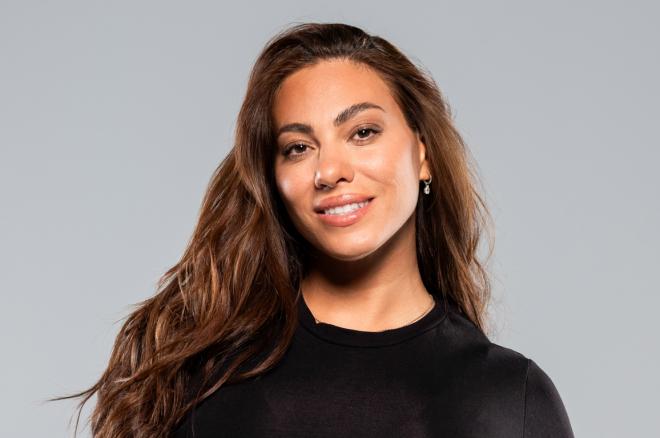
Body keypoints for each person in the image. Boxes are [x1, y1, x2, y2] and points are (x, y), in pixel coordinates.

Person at [52, 22, 575, 437]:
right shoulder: (208, 376)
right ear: (275, 178)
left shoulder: (508, 397)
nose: (329, 171)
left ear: (423, 154)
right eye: (299, 147)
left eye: (362, 132)